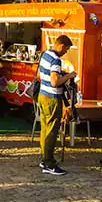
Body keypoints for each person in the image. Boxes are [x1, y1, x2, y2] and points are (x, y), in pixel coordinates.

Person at [37, 35, 77, 175]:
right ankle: (49, 163)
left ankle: (44, 158)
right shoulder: (55, 59)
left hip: (42, 95)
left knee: (44, 129)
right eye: (66, 49)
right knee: (52, 131)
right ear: (61, 46)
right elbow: (55, 82)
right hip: (52, 97)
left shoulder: (45, 54)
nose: (66, 52)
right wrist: (69, 76)